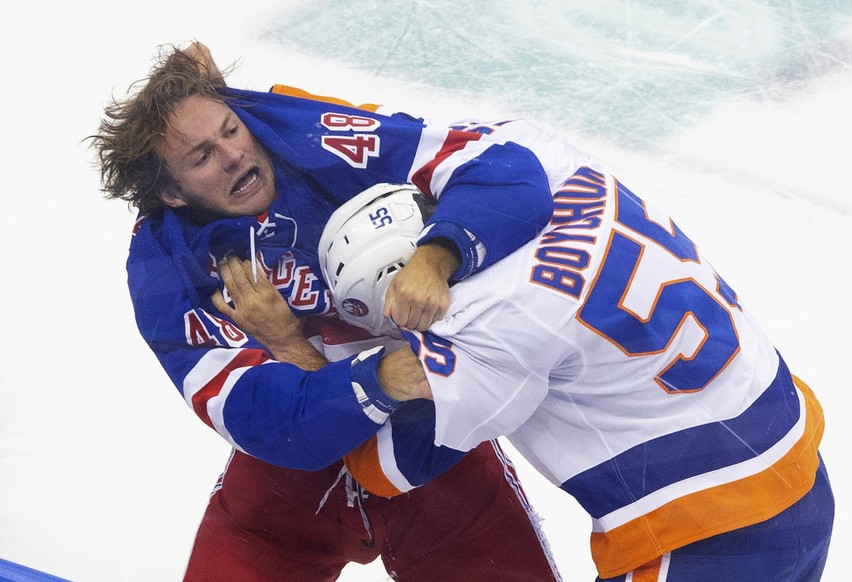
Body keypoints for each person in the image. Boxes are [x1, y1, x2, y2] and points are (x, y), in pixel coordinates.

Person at [256, 133, 834, 581]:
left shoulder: (479, 329)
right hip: (798, 461)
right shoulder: (553, 178)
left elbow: (379, 467)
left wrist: (288, 346)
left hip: (709, 536)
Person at [91, 42, 563, 580]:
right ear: (170, 193)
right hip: (284, 496)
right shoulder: (166, 271)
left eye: (230, 129)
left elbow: (508, 169)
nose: (233, 156)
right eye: (200, 156)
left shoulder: (320, 140)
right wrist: (374, 370)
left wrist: (437, 256)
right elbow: (278, 428)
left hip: (436, 465)